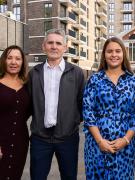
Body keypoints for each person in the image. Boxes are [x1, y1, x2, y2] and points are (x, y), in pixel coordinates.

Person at [83, 37, 135, 179]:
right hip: (97, 145)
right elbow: (88, 112)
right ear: (104, 55)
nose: (114, 55)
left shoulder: (134, 81)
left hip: (125, 147)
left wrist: (126, 139)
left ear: (123, 54)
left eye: (118, 51)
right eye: (109, 51)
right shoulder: (95, 79)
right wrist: (100, 141)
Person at [28, 29, 84, 180]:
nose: (54, 46)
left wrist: (72, 122)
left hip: (68, 138)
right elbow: (28, 103)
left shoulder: (77, 73)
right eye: (50, 42)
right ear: (43, 46)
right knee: (37, 177)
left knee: (69, 176)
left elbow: (81, 102)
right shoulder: (34, 73)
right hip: (40, 138)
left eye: (58, 43)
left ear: (65, 47)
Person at [0, 45, 30, 180]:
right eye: (10, 58)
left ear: (22, 62)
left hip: (20, 143)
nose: (13, 62)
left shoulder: (27, 86)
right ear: (4, 61)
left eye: (18, 59)